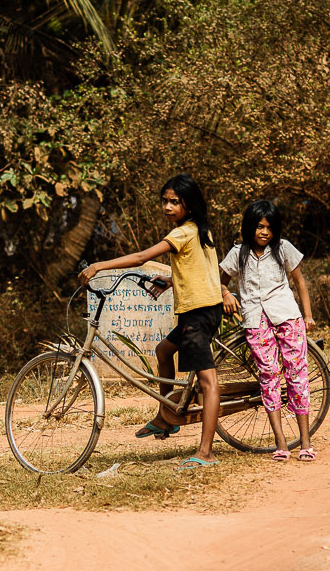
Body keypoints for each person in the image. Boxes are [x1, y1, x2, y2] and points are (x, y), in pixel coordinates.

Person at [79, 174, 223, 470]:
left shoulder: (182, 233)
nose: (167, 207)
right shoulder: (201, 230)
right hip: (202, 310)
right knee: (163, 351)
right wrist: (172, 280)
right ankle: (166, 417)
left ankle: (206, 452)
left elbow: (141, 257)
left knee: (208, 382)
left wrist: (98, 265)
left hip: (198, 314)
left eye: (175, 202)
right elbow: (201, 271)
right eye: (164, 201)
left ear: (189, 205)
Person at [219, 200, 317, 462]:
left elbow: (300, 282)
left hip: (287, 316)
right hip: (256, 320)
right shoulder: (237, 253)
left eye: (270, 228)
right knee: (269, 376)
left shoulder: (283, 248)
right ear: (249, 227)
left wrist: (307, 315)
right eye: (259, 226)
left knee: (296, 374)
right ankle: (281, 443)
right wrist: (226, 293)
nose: (264, 232)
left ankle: (306, 442)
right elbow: (220, 281)